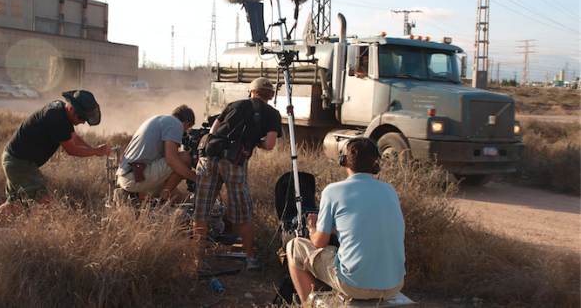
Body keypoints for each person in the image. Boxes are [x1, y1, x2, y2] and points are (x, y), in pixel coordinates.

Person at [0, 90, 111, 254]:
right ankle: (28, 243)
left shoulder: (61, 111)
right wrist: (96, 151)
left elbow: (74, 139)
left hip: (14, 160)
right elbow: (71, 149)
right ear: (71, 110)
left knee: (13, 204)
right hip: (20, 163)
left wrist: (94, 149)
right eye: (81, 118)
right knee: (43, 200)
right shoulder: (56, 118)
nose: (83, 122)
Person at [286, 137, 406, 303]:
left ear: (344, 162)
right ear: (375, 165)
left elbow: (319, 242)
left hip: (355, 285)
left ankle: (307, 304)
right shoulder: (390, 190)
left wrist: (313, 227)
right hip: (394, 284)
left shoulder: (333, 191)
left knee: (294, 247)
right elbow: (369, 228)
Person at [193, 77, 282, 271]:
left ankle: (198, 260)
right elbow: (269, 144)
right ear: (271, 96)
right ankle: (251, 258)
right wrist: (254, 142)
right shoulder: (273, 114)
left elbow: (213, 131)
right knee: (242, 211)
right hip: (234, 162)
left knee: (201, 210)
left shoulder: (234, 104)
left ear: (252, 92)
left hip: (209, 157)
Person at [115, 105, 197, 204]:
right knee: (184, 158)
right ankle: (158, 203)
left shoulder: (160, 119)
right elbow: (172, 160)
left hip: (128, 176)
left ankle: (133, 198)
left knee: (177, 197)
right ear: (186, 123)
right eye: (187, 129)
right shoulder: (176, 124)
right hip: (135, 177)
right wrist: (197, 179)